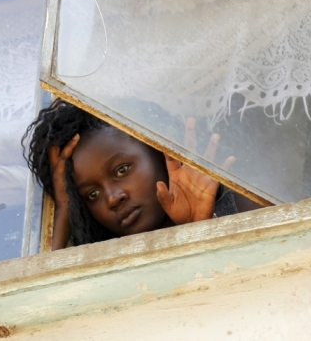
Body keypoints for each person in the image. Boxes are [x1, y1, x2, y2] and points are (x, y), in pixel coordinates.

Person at [23, 99, 254, 250]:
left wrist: (200, 228)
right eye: (92, 194)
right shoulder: (112, 270)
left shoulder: (241, 207)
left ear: (158, 149)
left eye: (122, 170)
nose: (113, 198)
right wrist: (64, 211)